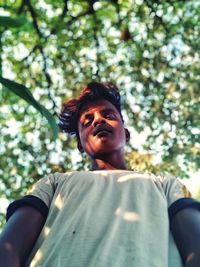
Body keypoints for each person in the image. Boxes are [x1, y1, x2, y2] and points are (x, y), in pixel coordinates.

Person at [0, 82, 200, 267]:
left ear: (126, 133)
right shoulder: (53, 183)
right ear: (80, 144)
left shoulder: (166, 184)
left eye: (109, 116)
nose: (98, 121)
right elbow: (9, 248)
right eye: (87, 121)